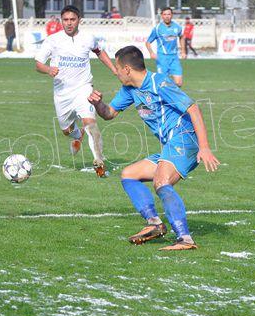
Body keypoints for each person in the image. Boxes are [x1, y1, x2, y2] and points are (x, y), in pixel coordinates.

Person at [87, 45, 219, 250]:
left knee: (161, 181)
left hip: (185, 139)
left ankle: (185, 239)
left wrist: (205, 147)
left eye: (117, 68)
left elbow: (193, 109)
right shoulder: (130, 89)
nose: (116, 72)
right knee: (129, 174)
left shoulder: (160, 83)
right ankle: (154, 223)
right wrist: (98, 104)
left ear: (127, 69)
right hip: (171, 144)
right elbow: (109, 113)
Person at [35, 5, 116, 178]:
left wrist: (114, 70)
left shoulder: (88, 38)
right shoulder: (52, 40)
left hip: (83, 88)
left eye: (72, 19)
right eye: (65, 20)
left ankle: (99, 162)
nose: (69, 23)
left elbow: (99, 52)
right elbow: (38, 64)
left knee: (91, 122)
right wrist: (48, 69)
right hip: (62, 94)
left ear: (79, 20)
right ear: (61, 21)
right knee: (66, 130)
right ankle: (78, 135)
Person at [145, 7, 186, 87]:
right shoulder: (157, 28)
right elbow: (148, 42)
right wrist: (151, 53)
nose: (167, 16)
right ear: (162, 16)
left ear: (172, 15)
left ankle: (165, 88)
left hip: (174, 58)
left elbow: (181, 37)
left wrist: (183, 51)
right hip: (162, 58)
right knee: (163, 83)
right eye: (165, 14)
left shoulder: (177, 27)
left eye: (169, 14)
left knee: (179, 83)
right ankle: (159, 88)